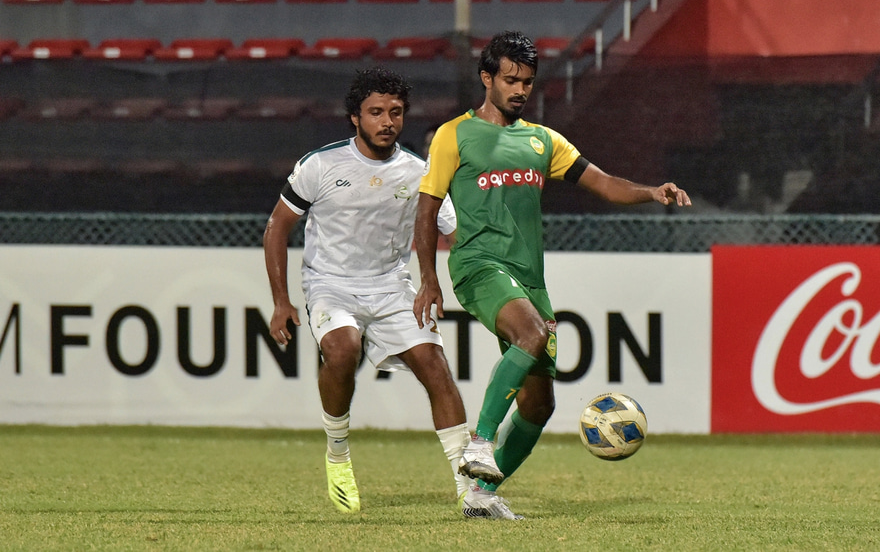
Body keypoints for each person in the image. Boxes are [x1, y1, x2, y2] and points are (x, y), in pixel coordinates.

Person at [413, 31, 692, 521]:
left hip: (529, 279)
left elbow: (604, 183)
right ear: (487, 78)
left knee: (539, 405)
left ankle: (479, 495)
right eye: (511, 80)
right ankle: (480, 442)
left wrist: (651, 191)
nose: (520, 90)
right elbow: (427, 208)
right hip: (478, 265)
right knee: (532, 333)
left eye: (527, 82)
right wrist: (429, 278)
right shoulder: (453, 135)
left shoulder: (544, 141)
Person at [263, 67, 497, 514]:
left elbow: (458, 235)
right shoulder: (321, 165)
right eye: (375, 112)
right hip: (330, 283)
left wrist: (483, 278)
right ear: (355, 117)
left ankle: (469, 490)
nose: (387, 121)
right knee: (343, 349)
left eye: (395, 112)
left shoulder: (419, 173)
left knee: (435, 368)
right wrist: (281, 301)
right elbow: (277, 227)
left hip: (391, 287)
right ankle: (338, 454)